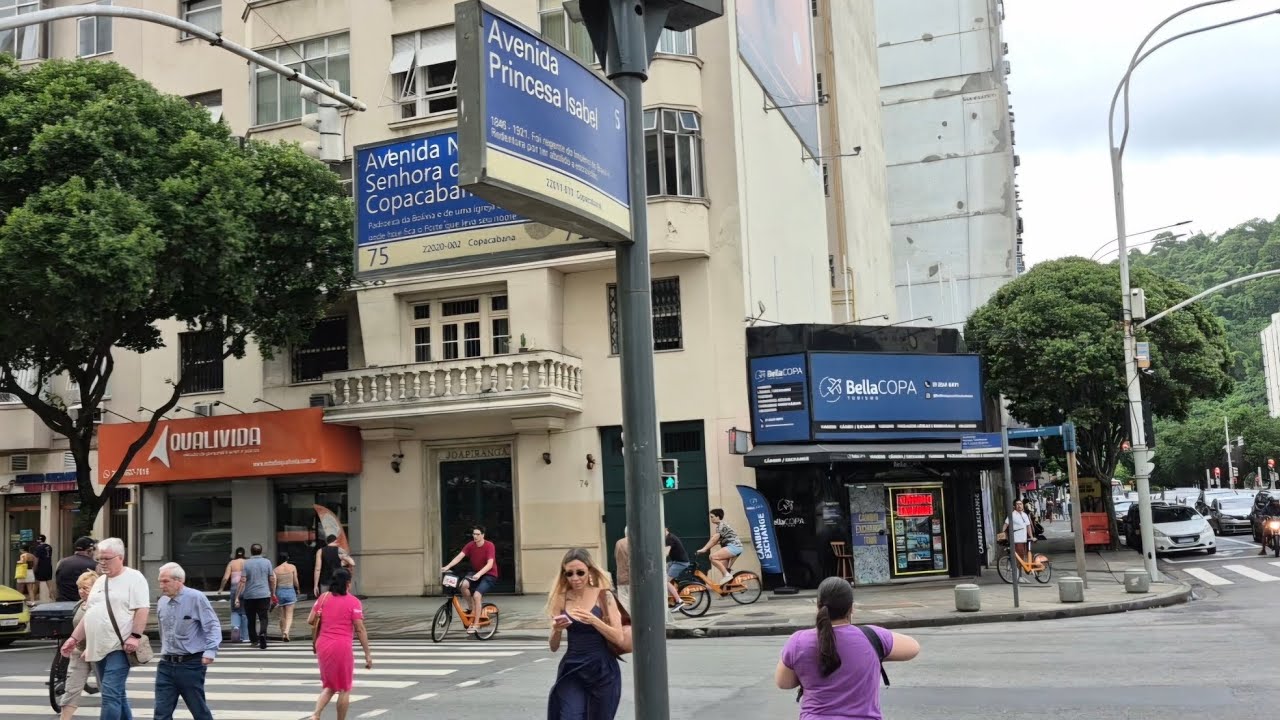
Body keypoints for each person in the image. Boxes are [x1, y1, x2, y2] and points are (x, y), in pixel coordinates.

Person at [775, 577, 920, 719]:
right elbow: (913, 648)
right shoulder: (873, 637)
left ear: (818, 606)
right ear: (851, 609)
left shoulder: (798, 641)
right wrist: (876, 654)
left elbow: (784, 683)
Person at [60, 537, 150, 720]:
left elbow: (142, 609)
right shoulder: (100, 581)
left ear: (120, 557)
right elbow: (90, 614)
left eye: (106, 558)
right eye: (99, 559)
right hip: (97, 647)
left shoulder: (134, 578)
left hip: (119, 646)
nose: (102, 563)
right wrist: (74, 639)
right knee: (117, 694)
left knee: (110, 693)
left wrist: (134, 636)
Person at [546, 548, 625, 719]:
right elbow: (553, 647)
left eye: (580, 572)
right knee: (569, 716)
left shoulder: (604, 596)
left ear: (590, 570)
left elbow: (619, 638)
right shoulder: (561, 598)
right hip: (572, 668)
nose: (575, 578)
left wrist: (594, 621)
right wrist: (556, 630)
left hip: (602, 670)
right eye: (569, 573)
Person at [155, 562, 220, 720]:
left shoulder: (196, 597)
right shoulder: (162, 602)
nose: (161, 586)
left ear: (179, 581)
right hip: (166, 664)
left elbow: (212, 625)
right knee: (161, 713)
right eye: (160, 581)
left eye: (165, 581)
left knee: (199, 711)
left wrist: (210, 651)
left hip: (190, 664)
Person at [307, 569, 371, 720]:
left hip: (322, 644)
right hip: (341, 646)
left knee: (330, 685)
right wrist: (367, 654)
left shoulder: (323, 597)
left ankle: (315, 715)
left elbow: (310, 620)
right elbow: (360, 629)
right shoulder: (353, 602)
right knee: (344, 688)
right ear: (348, 583)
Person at [57, 569, 100, 720]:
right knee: (71, 689)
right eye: (79, 588)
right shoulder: (79, 604)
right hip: (79, 651)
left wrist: (91, 647)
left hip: (99, 651)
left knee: (109, 690)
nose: (81, 591)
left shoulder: (101, 605)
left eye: (85, 588)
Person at [441, 525, 498, 634]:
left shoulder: (489, 545)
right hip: (475, 573)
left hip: (489, 575)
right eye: (474, 534)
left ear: (483, 535)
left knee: (477, 595)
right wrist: (447, 566)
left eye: (478, 534)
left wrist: (479, 574)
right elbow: (459, 556)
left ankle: (476, 625)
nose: (475, 536)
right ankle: (472, 607)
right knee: (463, 585)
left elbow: (490, 564)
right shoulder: (470, 545)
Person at [236, 543, 276, 650]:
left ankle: (254, 640)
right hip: (264, 594)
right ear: (261, 551)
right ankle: (262, 633)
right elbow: (271, 579)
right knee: (263, 617)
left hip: (249, 595)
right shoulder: (267, 562)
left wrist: (237, 596)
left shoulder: (246, 563)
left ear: (251, 551)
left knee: (251, 619)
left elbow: (243, 580)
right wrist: (273, 593)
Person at [696, 508, 745, 585]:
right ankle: (728, 586)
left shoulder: (722, 526)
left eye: (712, 517)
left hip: (733, 547)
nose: (711, 519)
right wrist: (708, 547)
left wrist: (704, 549)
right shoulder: (720, 526)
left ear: (718, 517)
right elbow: (715, 541)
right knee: (724, 569)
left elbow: (714, 539)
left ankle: (727, 575)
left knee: (712, 557)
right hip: (733, 547)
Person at [56, 536, 99, 603]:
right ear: (89, 550)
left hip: (62, 603)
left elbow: (57, 585)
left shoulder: (61, 563)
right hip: (82, 604)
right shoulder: (94, 565)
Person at [218, 547, 248, 643]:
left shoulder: (231, 563)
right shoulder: (247, 563)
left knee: (235, 610)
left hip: (234, 588)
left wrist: (221, 589)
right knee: (245, 612)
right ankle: (245, 636)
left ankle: (236, 626)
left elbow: (225, 578)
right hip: (245, 588)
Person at [314, 534, 355, 599]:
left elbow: (317, 569)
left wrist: (315, 585)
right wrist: (343, 564)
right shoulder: (340, 550)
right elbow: (352, 563)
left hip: (325, 581)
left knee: (325, 600)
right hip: (338, 580)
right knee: (338, 599)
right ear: (335, 541)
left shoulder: (320, 551)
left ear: (327, 542)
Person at [1004, 500, 1033, 583]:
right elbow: (1006, 524)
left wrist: (1031, 537)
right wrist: (1003, 534)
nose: (1019, 506)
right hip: (1016, 540)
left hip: (1023, 540)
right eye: (1017, 504)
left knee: (1022, 558)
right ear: (1014, 506)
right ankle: (1018, 576)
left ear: (1023, 505)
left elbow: (1028, 527)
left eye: (1020, 504)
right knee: (1018, 559)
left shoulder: (1024, 515)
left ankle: (1020, 576)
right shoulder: (1012, 515)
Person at [275, 552, 301, 642]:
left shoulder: (276, 570)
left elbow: (274, 584)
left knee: (282, 616)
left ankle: (283, 634)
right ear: (287, 558)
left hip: (280, 592)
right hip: (290, 590)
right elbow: (295, 580)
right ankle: (286, 631)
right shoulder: (292, 567)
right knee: (289, 615)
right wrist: (298, 589)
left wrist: (273, 594)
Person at [664, 529, 690, 613]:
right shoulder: (669, 537)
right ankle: (670, 599)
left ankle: (679, 601)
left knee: (665, 581)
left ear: (665, 530)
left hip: (680, 563)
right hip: (674, 562)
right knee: (663, 572)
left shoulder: (669, 538)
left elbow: (666, 552)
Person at [613, 527, 630, 611]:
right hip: (634, 579)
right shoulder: (635, 542)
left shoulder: (619, 543)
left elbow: (616, 556)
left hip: (621, 578)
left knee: (624, 606)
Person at [33, 533, 54, 602]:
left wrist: (34, 568)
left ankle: (32, 598)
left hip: (40, 567)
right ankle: (52, 598)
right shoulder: (49, 547)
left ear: (39, 540)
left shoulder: (38, 548)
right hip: (48, 566)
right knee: (49, 583)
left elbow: (36, 559)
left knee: (36, 584)